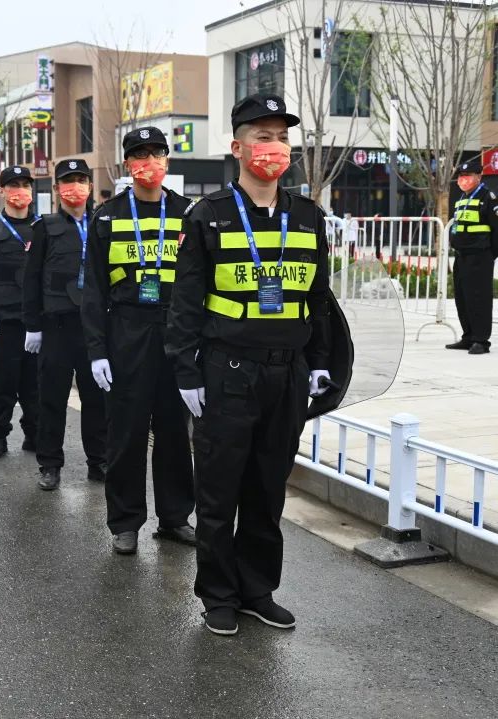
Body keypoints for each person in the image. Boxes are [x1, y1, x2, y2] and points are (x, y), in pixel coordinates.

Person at [166, 94, 332, 635]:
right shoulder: (207, 215)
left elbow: (320, 300)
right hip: (227, 372)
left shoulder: (308, 217)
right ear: (237, 146)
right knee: (219, 488)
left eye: (282, 137)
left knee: (267, 488)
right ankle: (218, 594)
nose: (275, 147)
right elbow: (185, 300)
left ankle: (256, 588)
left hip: (285, 373)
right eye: (263, 137)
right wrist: (187, 371)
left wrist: (321, 363)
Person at [81, 126, 195, 555]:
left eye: (157, 154)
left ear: (168, 161)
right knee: (125, 434)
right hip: (126, 331)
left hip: (176, 331)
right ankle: (125, 522)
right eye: (140, 155)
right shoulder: (107, 216)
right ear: (128, 164)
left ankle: (175, 517)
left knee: (173, 432)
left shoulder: (189, 212)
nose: (150, 163)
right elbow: (92, 290)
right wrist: (97, 351)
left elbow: (199, 285)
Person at [23, 159, 107, 491]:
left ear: (89, 185)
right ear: (57, 189)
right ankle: (50, 464)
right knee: (52, 398)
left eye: (81, 180)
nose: (75, 187)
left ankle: (98, 460)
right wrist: (33, 325)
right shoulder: (45, 227)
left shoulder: (103, 223)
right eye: (68, 181)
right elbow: (31, 279)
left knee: (96, 398)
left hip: (94, 328)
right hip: (56, 326)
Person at [0, 166, 39, 460]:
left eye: (25, 185)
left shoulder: (43, 228)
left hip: (37, 321)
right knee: (2, 382)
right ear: (2, 192)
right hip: (4, 322)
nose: (20, 191)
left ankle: (35, 434)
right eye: (13, 186)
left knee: (35, 383)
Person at [445, 159, 498, 355]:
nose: (463, 180)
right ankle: (468, 336)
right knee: (463, 297)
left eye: (467, 176)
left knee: (479, 298)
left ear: (478, 177)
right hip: (462, 255)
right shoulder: (461, 198)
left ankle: (481, 340)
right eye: (461, 177)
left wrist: (491, 254)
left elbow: (496, 229)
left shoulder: (488, 197)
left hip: (480, 256)